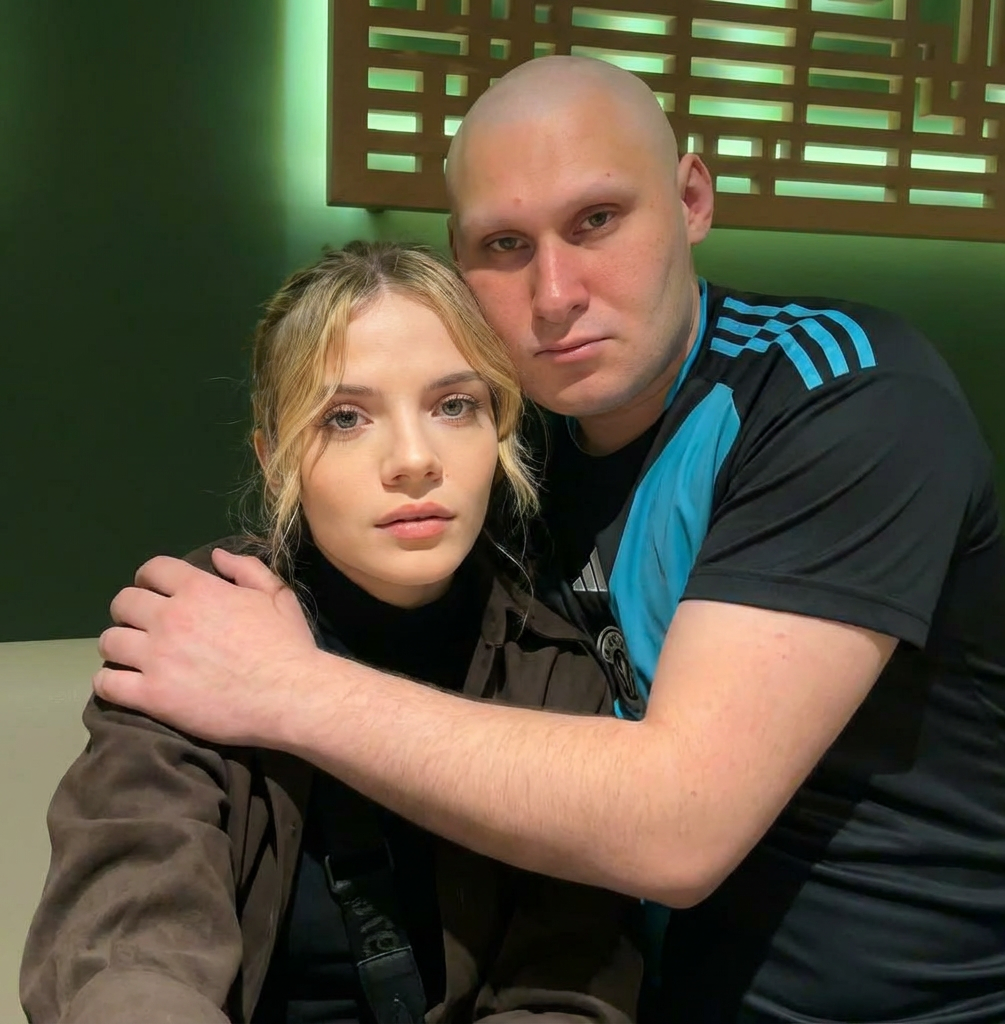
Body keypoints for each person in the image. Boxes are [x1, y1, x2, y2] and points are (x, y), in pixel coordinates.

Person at [89, 57, 1005, 1023]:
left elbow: (678, 825)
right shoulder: (511, 447)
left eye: (597, 220)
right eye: (504, 243)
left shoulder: (840, 397)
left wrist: (288, 687)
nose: (554, 293)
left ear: (692, 200)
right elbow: (131, 925)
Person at [20, 241, 643, 1024]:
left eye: (455, 405)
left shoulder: (552, 670)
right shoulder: (195, 627)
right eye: (345, 418)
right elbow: (129, 940)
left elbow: (566, 987)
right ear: (274, 457)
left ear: (500, 431)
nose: (413, 460)